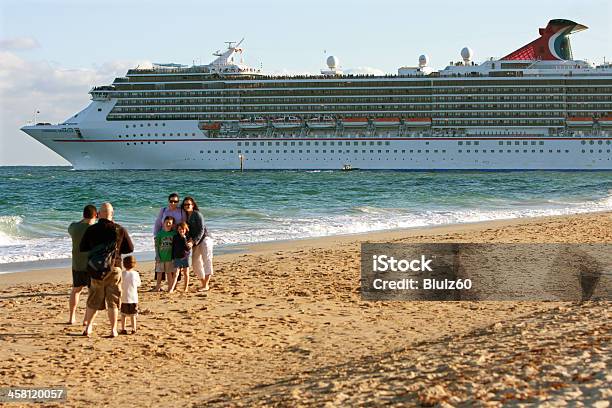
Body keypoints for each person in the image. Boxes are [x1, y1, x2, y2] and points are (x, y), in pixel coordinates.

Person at [80, 202, 134, 338]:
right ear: (112, 214)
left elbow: (83, 247)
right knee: (113, 301)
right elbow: (130, 248)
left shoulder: (91, 230)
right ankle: (113, 329)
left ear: (98, 214)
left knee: (93, 299)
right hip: (114, 267)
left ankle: (88, 327)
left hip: (95, 269)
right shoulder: (119, 229)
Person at [67, 204, 97, 325]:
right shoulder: (95, 229)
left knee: (76, 290)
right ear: (95, 215)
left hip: (77, 264)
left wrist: (82, 220)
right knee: (91, 292)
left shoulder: (74, 228)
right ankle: (86, 319)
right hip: (91, 265)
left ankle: (71, 317)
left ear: (83, 215)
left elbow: (73, 226)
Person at [182, 196, 213, 292]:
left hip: (204, 239)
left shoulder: (197, 214)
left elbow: (201, 230)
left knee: (207, 260)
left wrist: (193, 241)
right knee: (195, 264)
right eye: (185, 204)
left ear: (193, 205)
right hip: (195, 242)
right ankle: (204, 283)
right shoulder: (186, 217)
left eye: (189, 204)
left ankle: (206, 284)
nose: (187, 206)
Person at [153, 193, 184, 282]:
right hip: (163, 237)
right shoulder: (163, 210)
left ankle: (174, 284)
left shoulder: (181, 211)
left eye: (175, 201)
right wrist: (156, 236)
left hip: (176, 238)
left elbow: (184, 224)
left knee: (174, 261)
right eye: (171, 201)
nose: (173, 203)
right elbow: (158, 223)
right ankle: (159, 285)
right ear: (168, 201)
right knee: (160, 259)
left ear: (178, 202)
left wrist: (184, 237)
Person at [120, 255, 141, 334]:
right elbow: (138, 284)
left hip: (124, 297)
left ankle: (123, 328)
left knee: (123, 314)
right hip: (133, 297)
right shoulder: (135, 274)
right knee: (133, 315)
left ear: (123, 264)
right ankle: (133, 328)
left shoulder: (122, 274)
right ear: (134, 264)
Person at [155, 216, 176, 292]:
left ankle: (170, 287)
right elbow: (157, 246)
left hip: (170, 258)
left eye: (170, 223)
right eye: (166, 222)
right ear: (163, 223)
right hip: (161, 257)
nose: (168, 224)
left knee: (169, 273)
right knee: (159, 272)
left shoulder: (174, 234)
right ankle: (158, 287)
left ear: (172, 224)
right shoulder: (160, 234)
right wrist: (157, 256)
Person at [171, 222, 191, 292]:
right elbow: (173, 248)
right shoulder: (175, 237)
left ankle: (185, 288)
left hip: (185, 257)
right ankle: (172, 288)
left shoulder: (187, 237)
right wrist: (172, 258)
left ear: (185, 229)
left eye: (182, 229)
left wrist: (184, 238)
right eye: (179, 229)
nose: (181, 231)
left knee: (186, 273)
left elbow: (187, 248)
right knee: (176, 273)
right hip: (177, 257)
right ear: (177, 230)